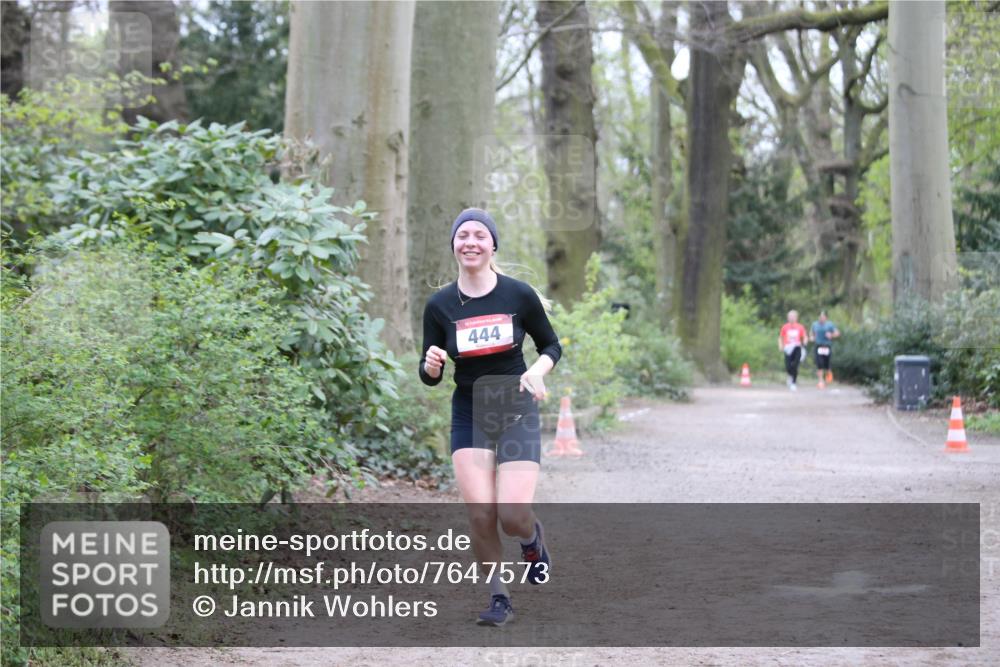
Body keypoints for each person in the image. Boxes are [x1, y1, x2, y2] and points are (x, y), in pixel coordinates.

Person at [419, 208, 562, 627]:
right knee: (481, 513)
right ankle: (499, 597)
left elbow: (551, 346)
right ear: (454, 245)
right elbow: (430, 375)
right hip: (470, 412)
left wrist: (536, 371)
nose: (471, 242)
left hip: (514, 407)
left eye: (480, 235)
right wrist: (430, 367)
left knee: (512, 514)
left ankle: (532, 541)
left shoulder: (518, 295)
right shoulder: (440, 305)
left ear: (492, 244)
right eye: (463, 235)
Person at [778, 310, 808, 391]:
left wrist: (805, 342)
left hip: (797, 347)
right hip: (788, 348)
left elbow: (804, 336)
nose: (791, 318)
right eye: (789, 317)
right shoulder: (785, 327)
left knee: (795, 365)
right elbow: (780, 337)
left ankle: (793, 383)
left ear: (796, 318)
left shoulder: (800, 327)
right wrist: (780, 345)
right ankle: (790, 376)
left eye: (793, 317)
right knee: (788, 366)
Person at [810, 310, 841, 389]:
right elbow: (812, 334)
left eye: (823, 317)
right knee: (819, 364)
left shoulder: (830, 325)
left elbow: (837, 333)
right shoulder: (815, 324)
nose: (821, 318)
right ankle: (820, 381)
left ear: (826, 318)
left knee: (827, 365)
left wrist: (831, 335)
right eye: (820, 317)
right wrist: (812, 338)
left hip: (826, 346)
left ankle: (828, 378)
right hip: (818, 346)